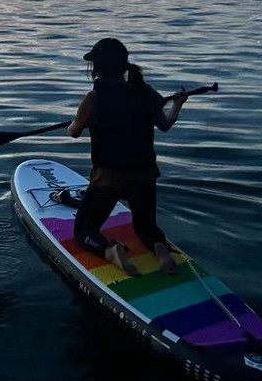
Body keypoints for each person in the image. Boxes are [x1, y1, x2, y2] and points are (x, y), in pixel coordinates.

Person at [66, 38, 187, 276]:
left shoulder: (93, 98)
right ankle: (160, 249)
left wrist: (77, 118)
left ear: (96, 68)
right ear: (124, 65)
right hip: (145, 175)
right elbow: (165, 124)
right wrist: (177, 105)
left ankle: (110, 251)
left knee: (83, 231)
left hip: (108, 179)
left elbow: (74, 131)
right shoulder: (145, 91)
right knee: (146, 228)